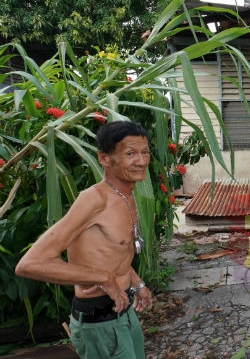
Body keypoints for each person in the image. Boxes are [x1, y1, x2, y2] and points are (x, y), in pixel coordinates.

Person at [16, 121, 153, 359]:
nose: (141, 161)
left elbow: (113, 252)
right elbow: (30, 264)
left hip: (124, 312)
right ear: (104, 158)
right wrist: (104, 279)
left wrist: (137, 284)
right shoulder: (93, 200)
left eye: (145, 152)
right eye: (130, 153)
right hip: (98, 322)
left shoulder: (125, 196)